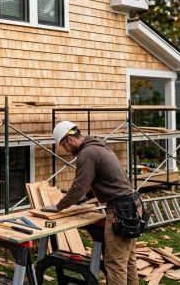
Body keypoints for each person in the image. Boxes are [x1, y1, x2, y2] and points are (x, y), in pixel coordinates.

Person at [42, 121, 141, 285]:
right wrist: (86, 198)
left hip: (119, 210)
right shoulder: (98, 147)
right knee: (128, 260)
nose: (66, 151)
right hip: (130, 205)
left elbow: (78, 187)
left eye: (64, 146)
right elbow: (99, 179)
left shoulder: (87, 154)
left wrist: (58, 207)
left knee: (115, 263)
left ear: (70, 140)